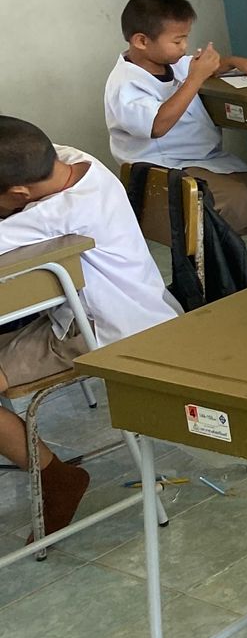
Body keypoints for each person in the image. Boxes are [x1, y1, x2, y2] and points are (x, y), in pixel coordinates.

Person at [0, 116, 182, 534]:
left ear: (19, 193)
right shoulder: (74, 162)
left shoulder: (56, 213)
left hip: (102, 332)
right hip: (124, 309)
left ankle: (56, 477)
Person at [104, 0, 247, 235]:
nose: (185, 46)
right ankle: (220, 263)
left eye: (186, 38)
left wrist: (233, 62)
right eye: (177, 40)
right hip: (164, 170)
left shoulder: (168, 62)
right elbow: (157, 125)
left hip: (205, 160)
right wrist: (195, 78)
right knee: (237, 203)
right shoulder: (126, 83)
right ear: (141, 41)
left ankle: (228, 253)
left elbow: (196, 65)